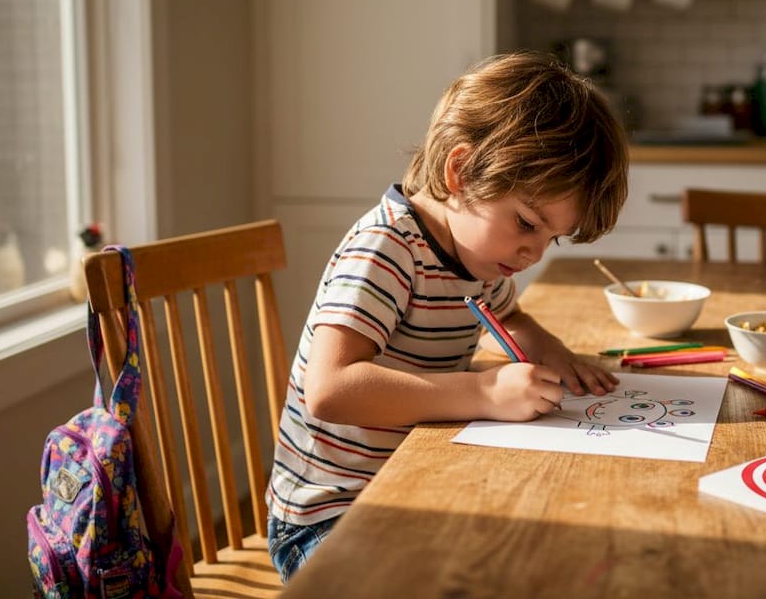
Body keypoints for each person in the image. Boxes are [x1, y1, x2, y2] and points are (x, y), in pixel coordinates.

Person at [265, 51, 630, 582]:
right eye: (528, 223)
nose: (535, 253)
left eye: (552, 237)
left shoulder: (480, 254)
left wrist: (561, 358)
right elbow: (331, 388)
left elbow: (514, 320)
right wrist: (483, 393)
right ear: (460, 172)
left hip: (417, 487)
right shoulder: (387, 248)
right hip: (332, 516)